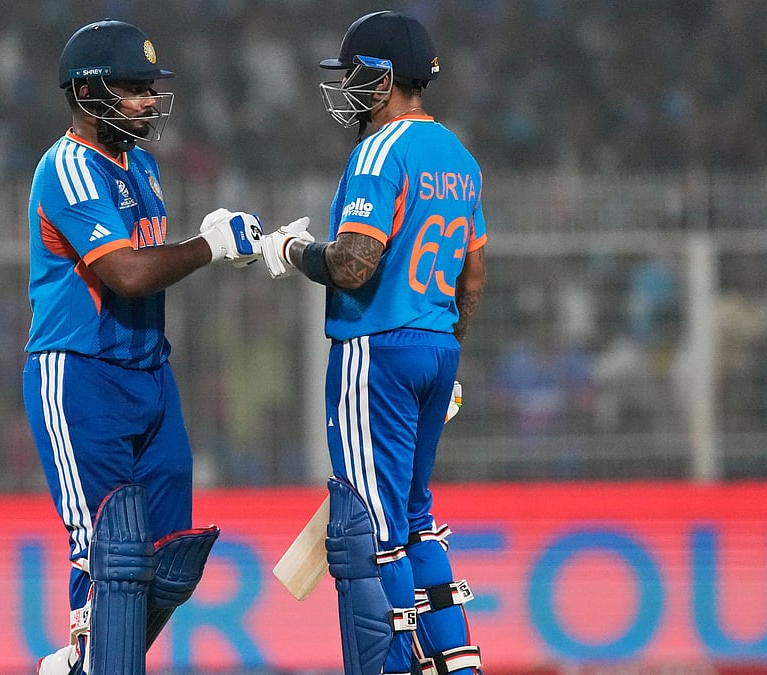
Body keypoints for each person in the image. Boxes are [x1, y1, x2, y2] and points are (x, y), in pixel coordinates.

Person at [24, 18, 263, 675]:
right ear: (87, 91)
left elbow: (147, 261)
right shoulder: (69, 167)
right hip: (81, 375)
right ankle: (91, 660)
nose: (150, 100)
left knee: (171, 558)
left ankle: (85, 662)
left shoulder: (143, 166)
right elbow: (125, 273)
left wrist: (206, 238)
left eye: (151, 87)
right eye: (134, 87)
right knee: (113, 552)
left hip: (149, 372)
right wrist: (210, 245)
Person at [260, 10, 486, 675]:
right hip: (435, 347)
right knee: (415, 519)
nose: (348, 88)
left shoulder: (380, 150)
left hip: (375, 352)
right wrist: (443, 349)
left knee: (367, 530)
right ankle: (456, 663)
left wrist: (291, 250)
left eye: (356, 75)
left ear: (384, 79)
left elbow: (354, 263)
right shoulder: (460, 157)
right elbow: (473, 278)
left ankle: (388, 667)